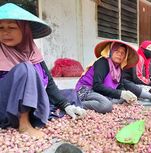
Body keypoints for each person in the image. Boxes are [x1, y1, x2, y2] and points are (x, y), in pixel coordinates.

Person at [0, 3, 86, 138]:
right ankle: (24, 124)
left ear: (24, 30)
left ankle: (57, 108)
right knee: (26, 68)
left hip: (27, 101)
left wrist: (66, 105)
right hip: (5, 106)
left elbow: (49, 83)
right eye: (1, 28)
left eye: (11, 27)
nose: (5, 32)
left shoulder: (34, 54)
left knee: (69, 94)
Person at [75, 39, 139, 113]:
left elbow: (119, 86)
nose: (119, 54)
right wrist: (121, 93)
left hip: (99, 92)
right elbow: (97, 86)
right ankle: (76, 104)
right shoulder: (102, 63)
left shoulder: (119, 68)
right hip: (87, 90)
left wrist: (127, 93)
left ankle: (100, 102)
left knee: (122, 99)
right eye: (116, 51)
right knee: (106, 106)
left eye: (123, 53)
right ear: (110, 52)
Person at [122, 40, 151, 105]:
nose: (150, 51)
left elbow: (149, 75)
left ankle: (143, 91)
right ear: (142, 48)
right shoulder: (138, 58)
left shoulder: (147, 61)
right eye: (148, 48)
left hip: (137, 82)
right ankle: (148, 96)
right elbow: (137, 77)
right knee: (131, 86)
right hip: (128, 81)